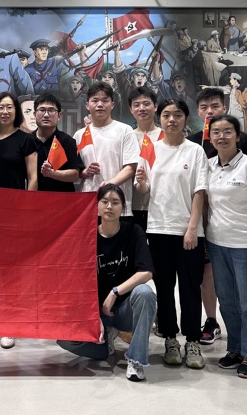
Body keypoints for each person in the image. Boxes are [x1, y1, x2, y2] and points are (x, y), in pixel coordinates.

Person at [134, 99, 208, 369]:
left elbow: (199, 191)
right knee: (164, 288)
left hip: (188, 232)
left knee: (190, 288)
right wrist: (141, 184)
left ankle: (193, 340)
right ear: (160, 118)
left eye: (177, 115)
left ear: (186, 118)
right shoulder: (150, 149)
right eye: (166, 115)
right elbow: (145, 190)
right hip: (158, 229)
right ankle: (170, 339)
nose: (172, 120)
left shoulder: (195, 151)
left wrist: (192, 228)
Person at [56, 184, 156, 382]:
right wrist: (93, 316)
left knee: (145, 293)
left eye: (115, 202)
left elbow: (146, 272)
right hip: (97, 312)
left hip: (125, 310)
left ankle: (136, 360)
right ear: (97, 206)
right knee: (63, 337)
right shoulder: (87, 236)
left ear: (123, 207)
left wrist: (114, 292)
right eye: (105, 201)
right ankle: (104, 346)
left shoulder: (133, 231)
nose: (109, 206)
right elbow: (78, 282)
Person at [205, 114, 247, 378]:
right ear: (210, 137)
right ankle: (235, 349)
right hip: (216, 244)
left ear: (238, 136)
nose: (222, 136)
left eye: (227, 131)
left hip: (245, 246)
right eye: (216, 132)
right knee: (227, 301)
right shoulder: (208, 166)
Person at [0, 91, 37, 349]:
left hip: (16, 212)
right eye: (0, 107)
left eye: (9, 107)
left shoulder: (26, 140)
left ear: (16, 111)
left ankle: (10, 320)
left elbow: (33, 177)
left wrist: (27, 208)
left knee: (13, 267)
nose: (4, 112)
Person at [73, 82, 138, 215]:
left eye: (105, 100)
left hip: (118, 205)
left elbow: (131, 167)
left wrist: (109, 185)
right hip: (88, 205)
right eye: (95, 100)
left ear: (112, 104)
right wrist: (85, 172)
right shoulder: (79, 135)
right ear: (87, 105)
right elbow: (75, 171)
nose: (100, 104)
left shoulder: (125, 130)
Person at [31, 93, 82, 192]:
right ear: (34, 114)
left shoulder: (67, 141)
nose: (46, 115)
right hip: (33, 197)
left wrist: (52, 173)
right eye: (42, 110)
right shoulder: (26, 141)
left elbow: (75, 175)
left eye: (51, 110)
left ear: (59, 115)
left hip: (62, 198)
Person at [128, 87, 162, 231]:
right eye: (136, 105)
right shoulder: (126, 136)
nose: (141, 108)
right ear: (131, 110)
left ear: (155, 107)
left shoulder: (166, 136)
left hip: (159, 205)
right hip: (131, 205)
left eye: (146, 104)